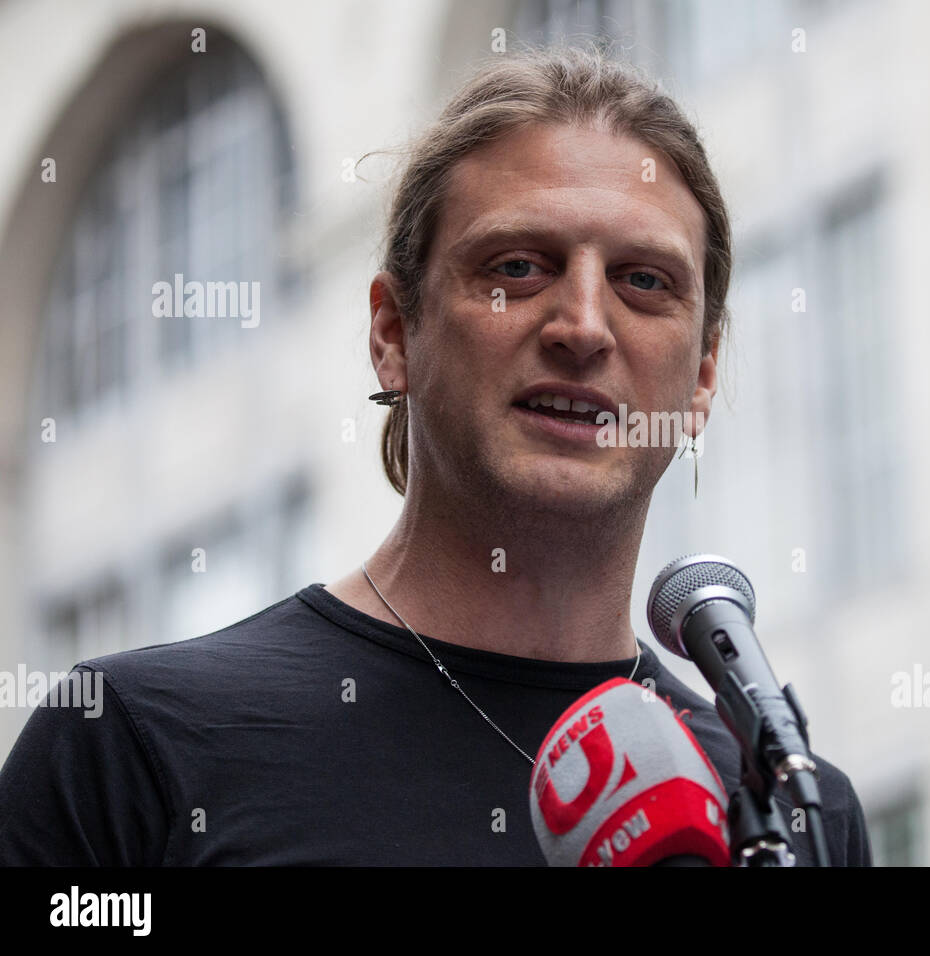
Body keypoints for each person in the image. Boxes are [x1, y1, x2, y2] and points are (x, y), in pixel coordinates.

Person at [0, 46, 872, 866]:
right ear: (393, 334)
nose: (584, 327)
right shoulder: (132, 746)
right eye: (519, 266)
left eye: (644, 281)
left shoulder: (795, 811)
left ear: (703, 373)